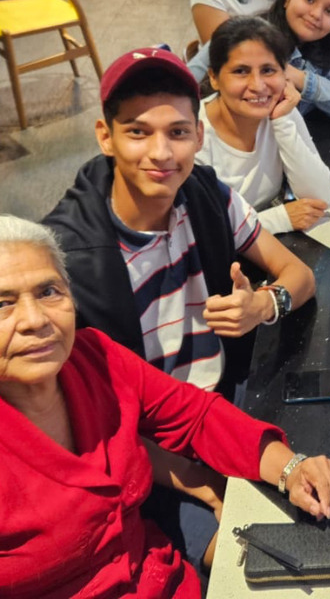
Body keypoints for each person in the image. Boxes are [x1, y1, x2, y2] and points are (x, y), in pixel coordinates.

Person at [0, 215, 330, 599]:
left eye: (49, 291)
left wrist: (292, 469)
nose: (35, 319)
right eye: (3, 303)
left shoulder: (95, 356)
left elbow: (194, 416)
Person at [43, 47, 315, 398]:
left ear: (199, 136)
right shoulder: (62, 255)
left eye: (178, 132)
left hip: (220, 400)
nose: (161, 153)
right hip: (141, 425)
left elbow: (300, 275)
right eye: (138, 132)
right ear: (106, 137)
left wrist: (262, 306)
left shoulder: (208, 196)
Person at [197, 16, 330, 234]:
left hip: (260, 243)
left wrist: (281, 121)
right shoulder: (190, 135)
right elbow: (202, 234)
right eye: (241, 71)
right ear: (214, 77)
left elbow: (320, 196)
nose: (258, 86)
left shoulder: (279, 110)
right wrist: (278, 219)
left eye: (268, 70)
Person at [188, 0, 330, 123]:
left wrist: (300, 78)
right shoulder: (242, 33)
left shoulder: (324, 57)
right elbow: (184, 80)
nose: (316, 14)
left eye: (329, 11)